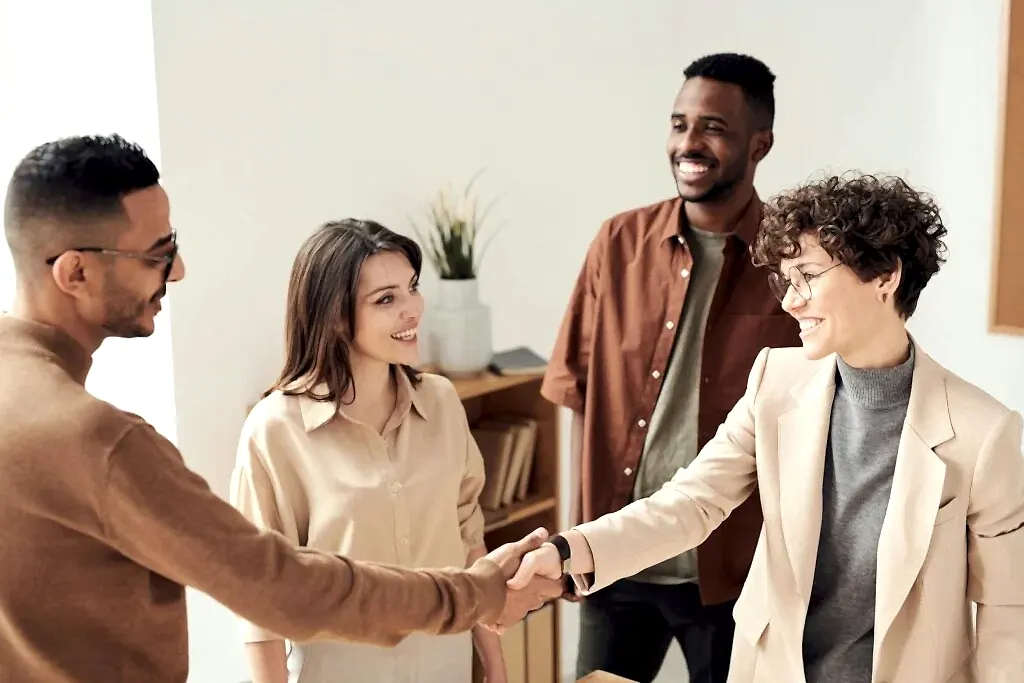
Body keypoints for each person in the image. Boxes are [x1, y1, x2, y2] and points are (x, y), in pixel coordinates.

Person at [0, 134, 562, 683]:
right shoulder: (102, 440)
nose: (178, 271)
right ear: (74, 272)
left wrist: (484, 637)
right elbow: (275, 589)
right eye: (157, 255)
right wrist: (477, 593)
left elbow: (462, 527)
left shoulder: (439, 402)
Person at [511, 173, 1024, 683]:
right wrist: (567, 551)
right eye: (787, 280)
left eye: (808, 276)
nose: (789, 301)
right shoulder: (774, 381)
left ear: (885, 276)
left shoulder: (984, 433)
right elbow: (691, 502)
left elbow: (1009, 611)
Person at [541, 53, 800, 683]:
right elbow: (573, 391)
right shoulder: (617, 244)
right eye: (679, 123)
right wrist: (573, 540)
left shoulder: (794, 261)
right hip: (615, 560)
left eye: (713, 127)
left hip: (732, 573)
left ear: (758, 144)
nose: (689, 143)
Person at [231, 219, 507, 683]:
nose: (412, 310)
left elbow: (468, 539)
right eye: (386, 299)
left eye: (412, 289)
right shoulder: (276, 430)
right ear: (336, 317)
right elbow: (259, 597)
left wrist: (495, 665)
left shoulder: (440, 402)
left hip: (447, 667)